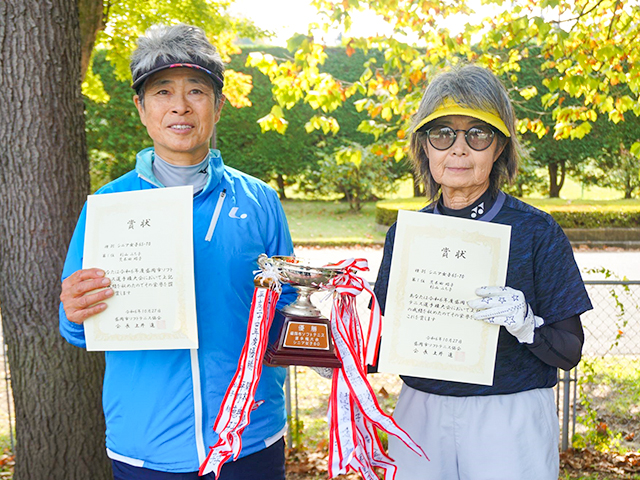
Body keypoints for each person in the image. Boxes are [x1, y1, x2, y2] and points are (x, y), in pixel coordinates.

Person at [59, 24, 294, 480]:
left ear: (218, 105)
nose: (180, 106)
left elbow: (286, 302)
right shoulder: (107, 208)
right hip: (146, 447)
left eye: (197, 91)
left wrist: (321, 336)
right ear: (141, 109)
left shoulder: (260, 200)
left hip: (250, 441)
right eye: (162, 91)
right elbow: (80, 330)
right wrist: (74, 311)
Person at [373, 65, 592, 480]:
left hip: (510, 412)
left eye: (478, 133)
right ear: (425, 148)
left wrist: (528, 326)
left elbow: (569, 349)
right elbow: (387, 336)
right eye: (442, 134)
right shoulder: (406, 233)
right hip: (420, 408)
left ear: (499, 148)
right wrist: (330, 351)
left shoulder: (536, 231)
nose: (458, 149)